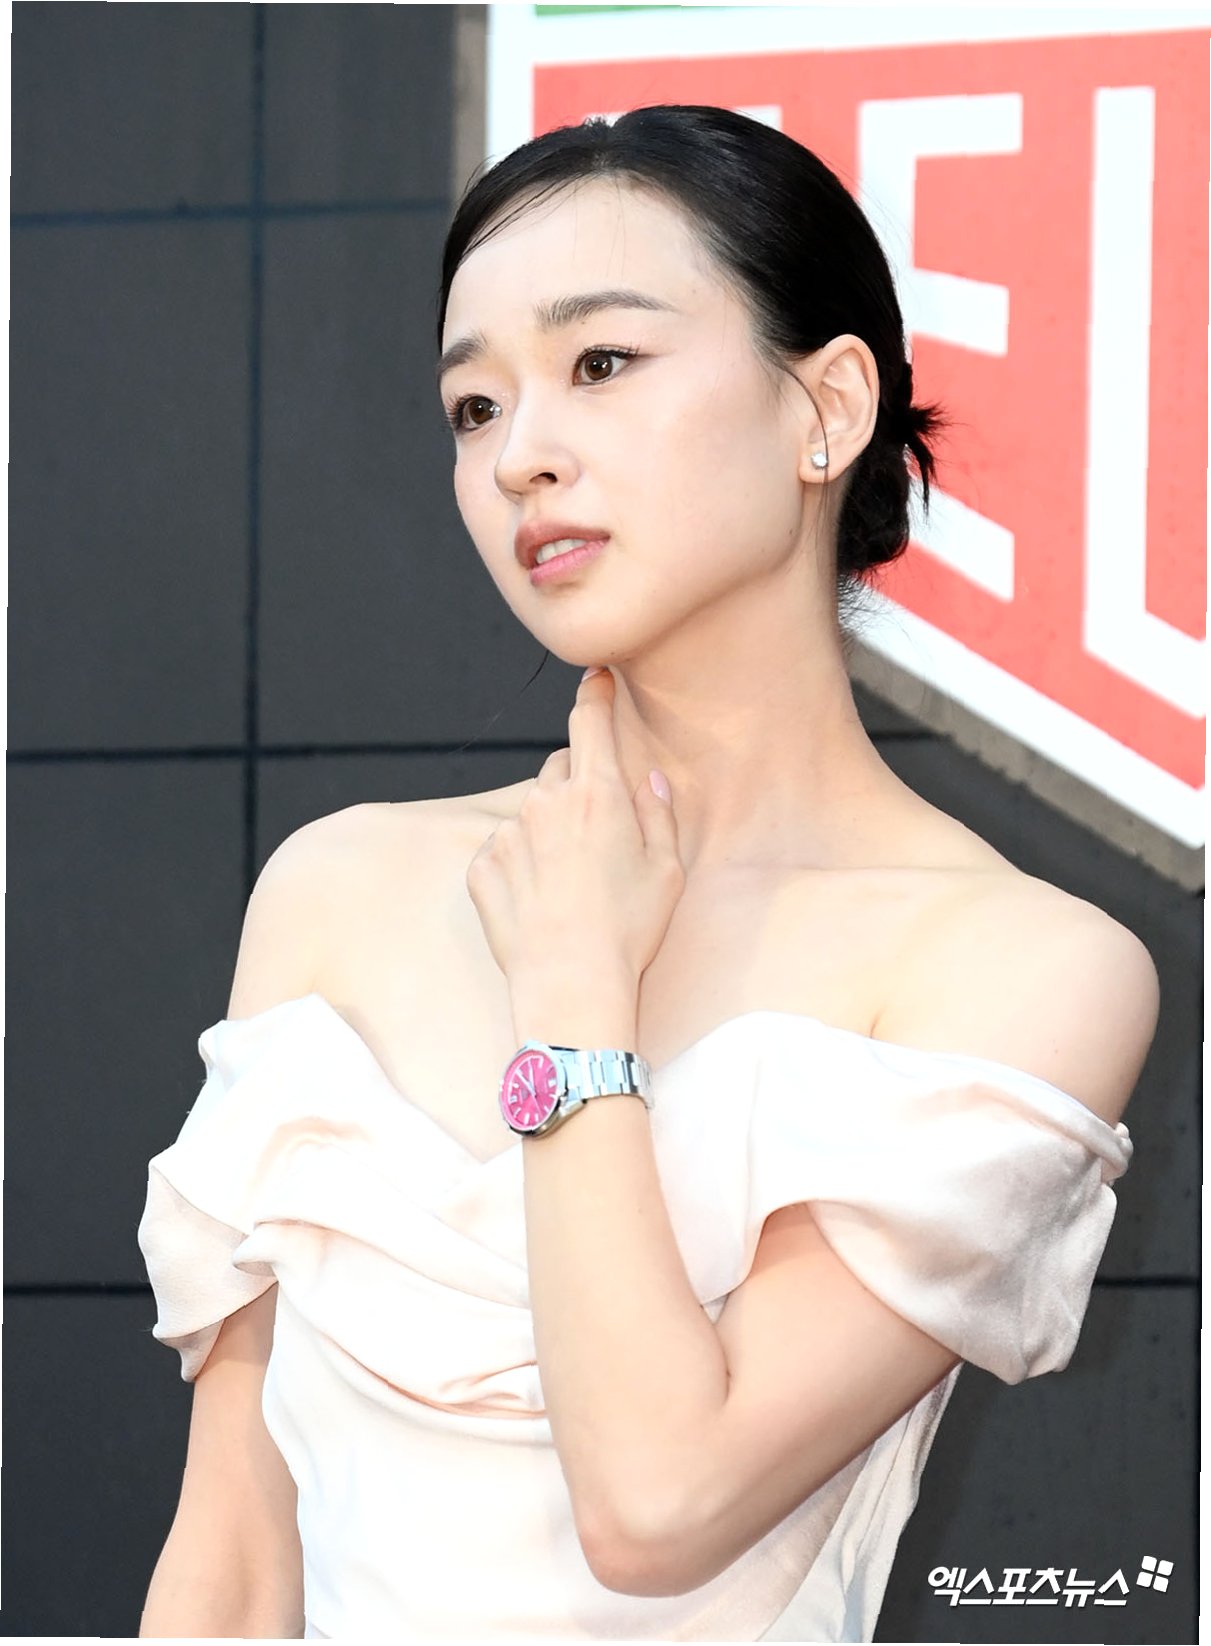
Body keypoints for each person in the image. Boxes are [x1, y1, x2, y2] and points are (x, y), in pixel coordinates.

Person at [136, 105, 1157, 1642]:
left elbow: (659, 1506)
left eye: (602, 362)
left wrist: (573, 1002)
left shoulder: (1017, 966)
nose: (521, 455)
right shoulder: (338, 888)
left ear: (828, 407)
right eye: (474, 405)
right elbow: (230, 1552)